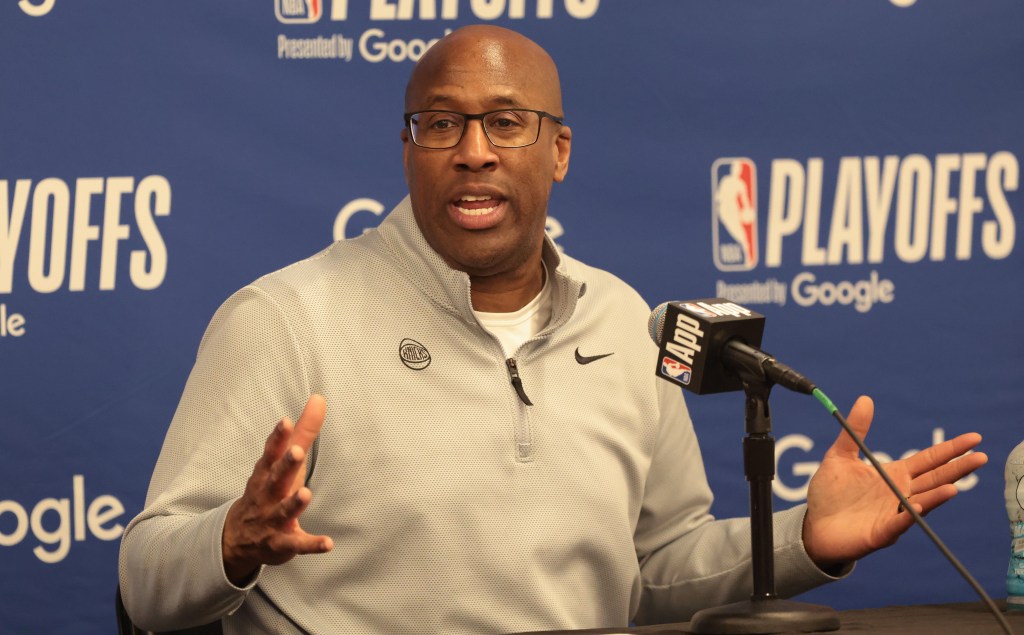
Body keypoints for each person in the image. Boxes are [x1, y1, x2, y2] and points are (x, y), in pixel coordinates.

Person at [118, 25, 987, 635]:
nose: (473, 150)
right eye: (441, 122)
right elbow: (146, 577)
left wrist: (802, 539)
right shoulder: (286, 318)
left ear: (559, 152)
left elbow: (657, 568)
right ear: (409, 144)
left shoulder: (622, 317)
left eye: (506, 121)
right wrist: (229, 540)